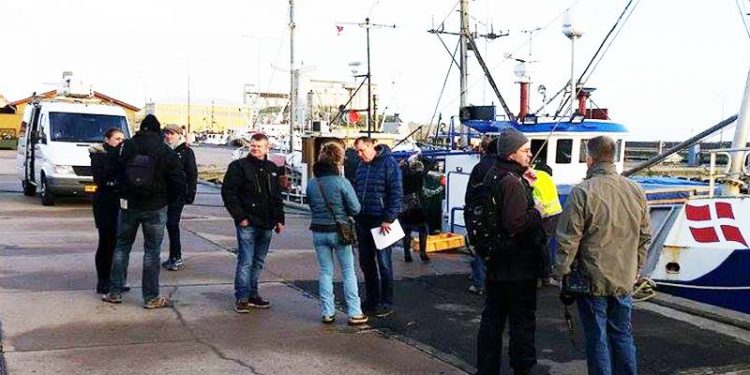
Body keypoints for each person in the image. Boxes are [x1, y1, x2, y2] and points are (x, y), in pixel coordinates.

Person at [555, 135, 651, 375]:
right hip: (624, 278)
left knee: (597, 337)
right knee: (622, 333)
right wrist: (637, 268)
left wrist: (561, 273)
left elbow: (568, 238)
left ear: (590, 159)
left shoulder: (582, 192)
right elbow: (645, 234)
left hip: (591, 278)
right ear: (613, 156)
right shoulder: (636, 190)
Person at [476, 128, 546, 375]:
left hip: (496, 261)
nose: (530, 156)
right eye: (526, 151)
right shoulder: (511, 183)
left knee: (492, 320)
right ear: (512, 153)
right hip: (518, 265)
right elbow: (516, 223)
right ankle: (522, 369)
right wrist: (537, 210)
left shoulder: (493, 175)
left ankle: (486, 368)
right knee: (522, 323)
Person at [103, 114, 186, 309]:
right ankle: (150, 297)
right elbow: (178, 179)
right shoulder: (165, 151)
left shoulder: (125, 147)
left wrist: (120, 191)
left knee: (122, 247)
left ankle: (114, 291)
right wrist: (170, 200)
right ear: (158, 131)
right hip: (156, 207)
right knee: (152, 252)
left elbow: (110, 171)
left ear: (141, 128)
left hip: (129, 205)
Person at [306, 142, 368, 325]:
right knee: (348, 272)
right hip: (340, 232)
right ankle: (355, 313)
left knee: (325, 272)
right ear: (338, 160)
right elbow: (356, 209)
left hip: (318, 230)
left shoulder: (311, 183)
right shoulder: (342, 182)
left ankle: (327, 312)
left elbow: (311, 205)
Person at [221, 133, 285, 313]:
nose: (255, 149)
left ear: (267, 148)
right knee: (246, 260)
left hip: (267, 222)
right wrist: (240, 217)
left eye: (259, 146)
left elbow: (276, 196)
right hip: (247, 222)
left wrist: (280, 219)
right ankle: (242, 296)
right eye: (253, 146)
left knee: (258, 261)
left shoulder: (272, 168)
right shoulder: (238, 167)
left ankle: (253, 294)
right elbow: (229, 193)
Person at [353, 137, 403, 318]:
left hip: (381, 220)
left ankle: (386, 301)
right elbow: (357, 189)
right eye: (357, 151)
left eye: (361, 150)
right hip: (363, 219)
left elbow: (396, 192)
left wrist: (388, 218)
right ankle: (372, 299)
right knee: (366, 262)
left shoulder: (389, 164)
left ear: (371, 146)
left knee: (384, 262)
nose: (359, 155)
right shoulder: (361, 167)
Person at [89, 127, 125, 295]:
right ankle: (103, 280)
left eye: (122, 139)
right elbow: (100, 178)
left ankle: (117, 280)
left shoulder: (123, 155)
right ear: (107, 140)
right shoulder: (99, 155)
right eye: (117, 139)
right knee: (106, 242)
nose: (120, 142)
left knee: (120, 244)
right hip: (105, 202)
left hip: (120, 202)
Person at [161, 124, 198, 271]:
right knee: (167, 225)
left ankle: (176, 257)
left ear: (178, 135)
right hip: (163, 194)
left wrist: (191, 193)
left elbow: (192, 173)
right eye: (166, 133)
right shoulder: (163, 151)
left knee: (172, 224)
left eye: (171, 133)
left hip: (178, 194)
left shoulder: (186, 152)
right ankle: (173, 256)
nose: (168, 136)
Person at [465, 136, 495, 295]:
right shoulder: (501, 167)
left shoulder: (479, 167)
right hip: (495, 214)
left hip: (479, 213)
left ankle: (478, 283)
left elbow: (470, 193)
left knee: (480, 249)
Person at [399, 155, 430, 263]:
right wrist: (419, 156)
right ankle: (423, 252)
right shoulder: (419, 176)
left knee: (407, 231)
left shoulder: (403, 175)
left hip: (405, 206)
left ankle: (407, 254)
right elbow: (428, 164)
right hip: (417, 206)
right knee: (423, 229)